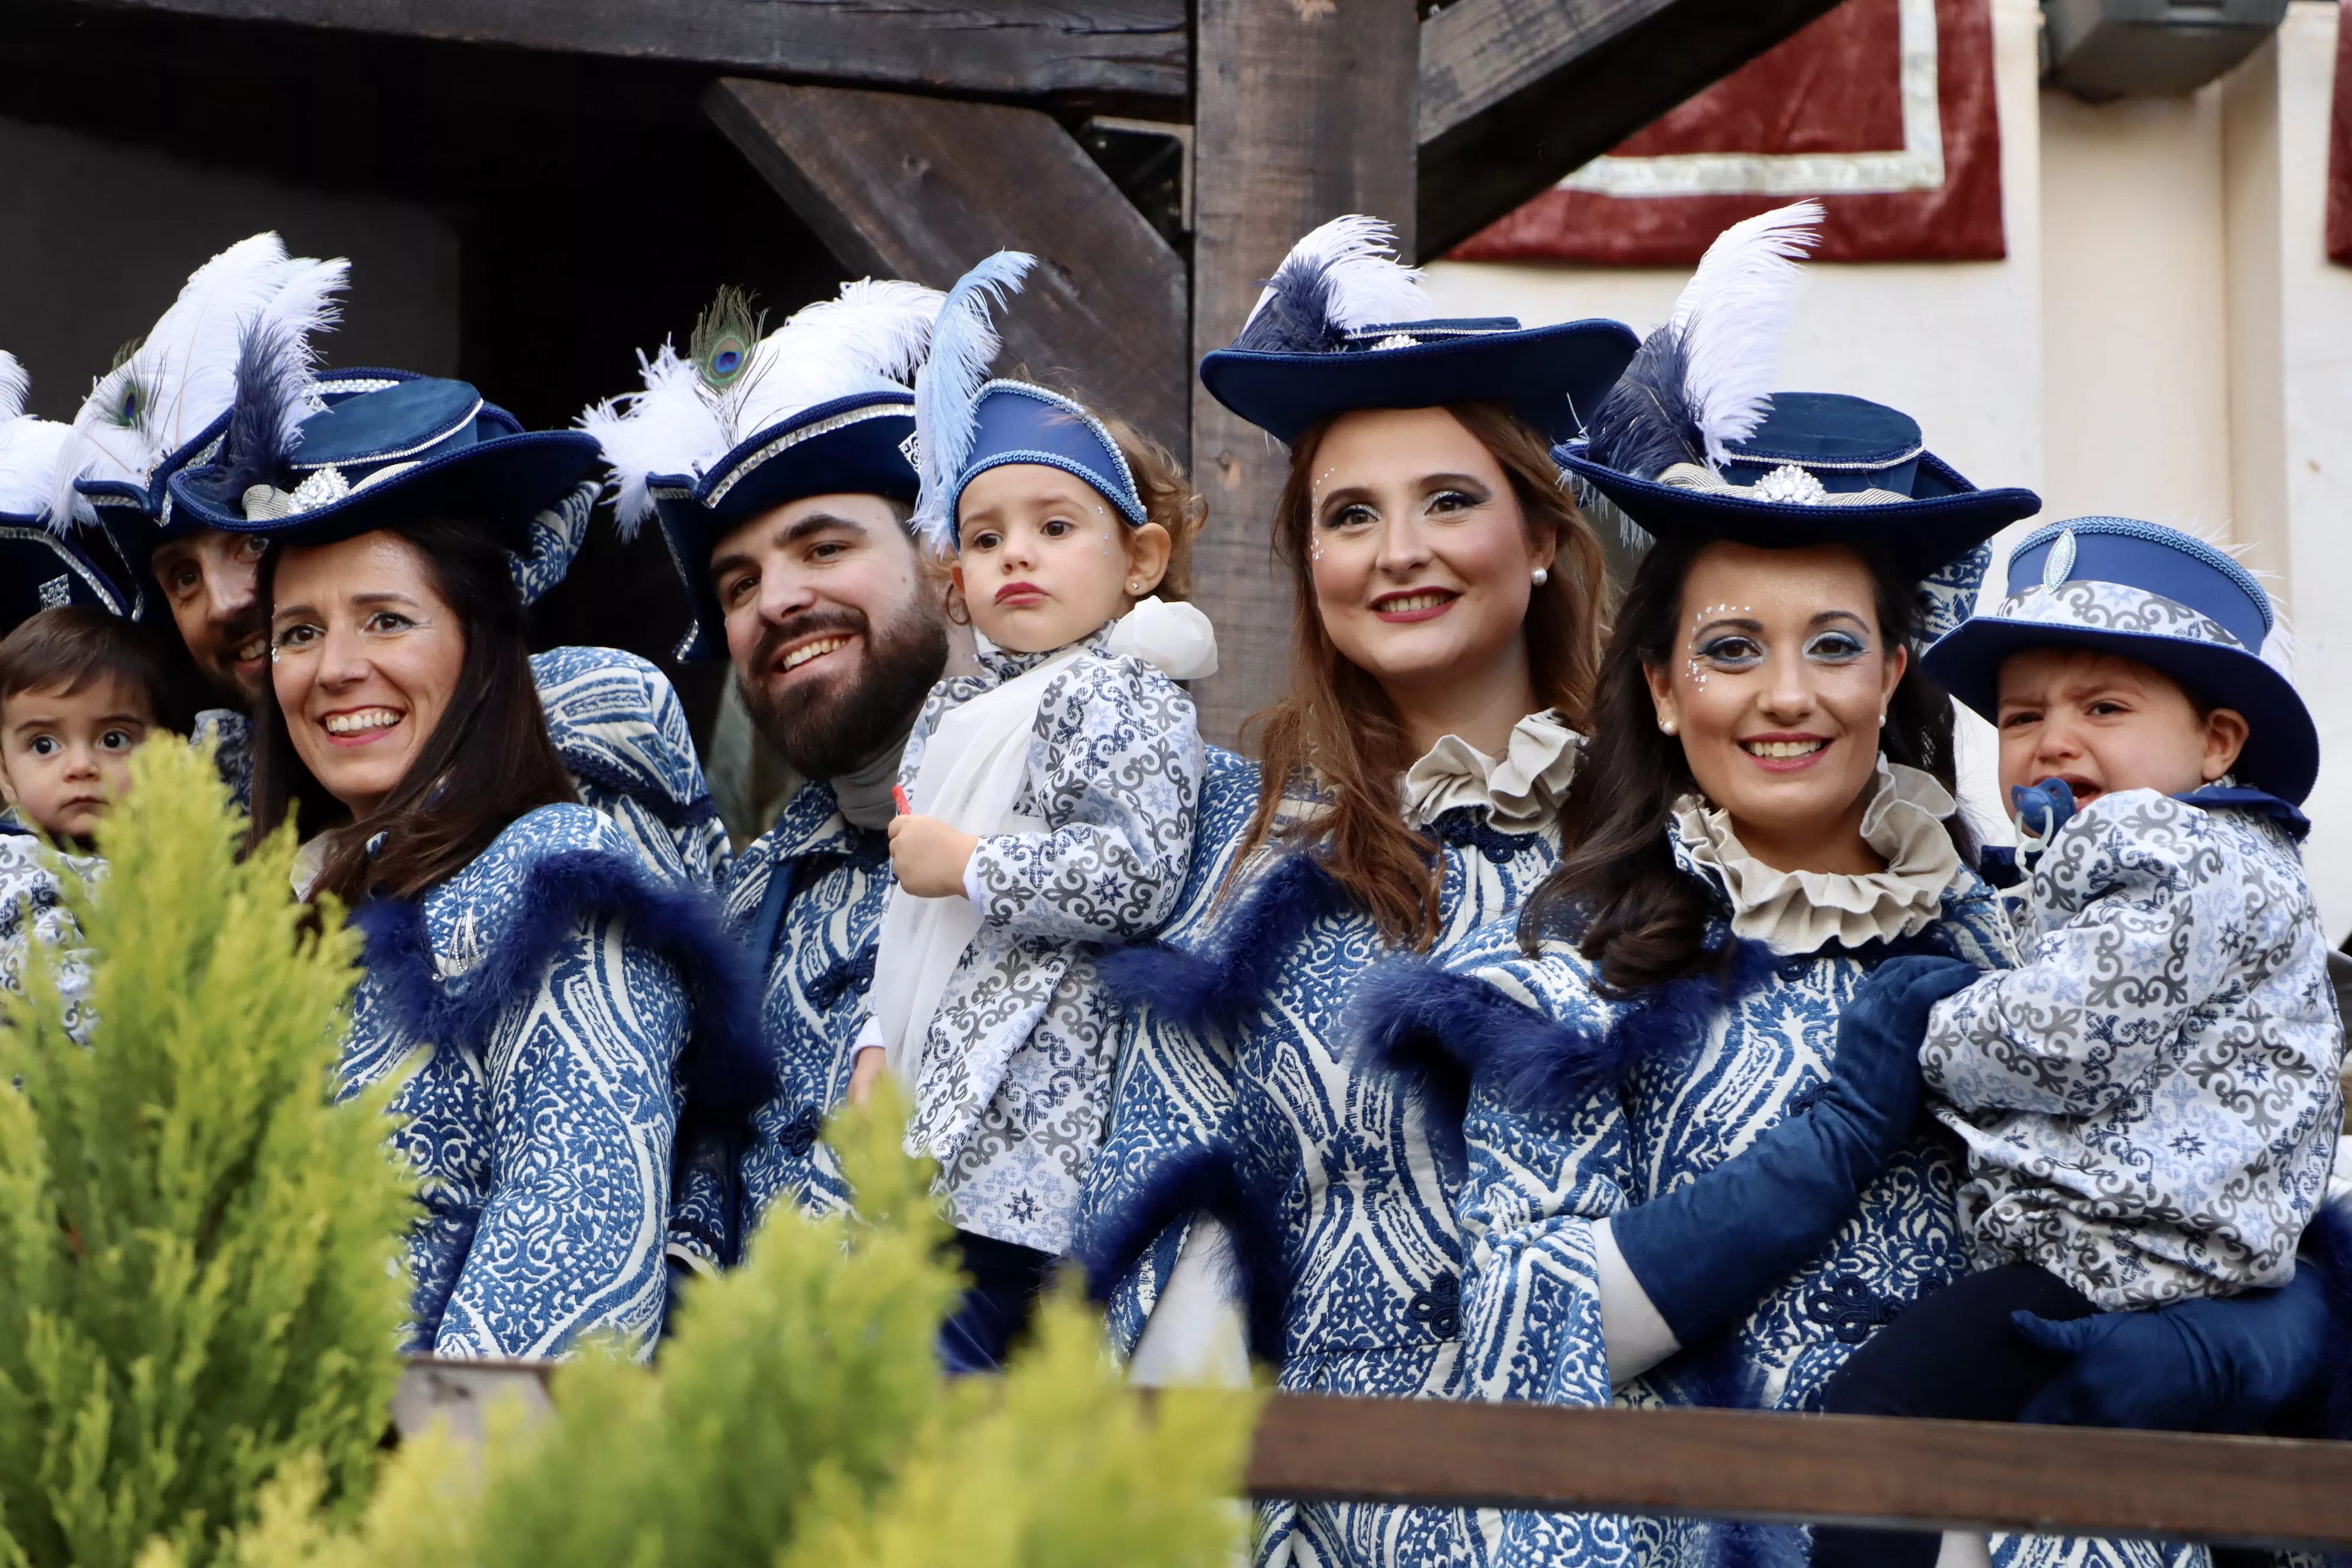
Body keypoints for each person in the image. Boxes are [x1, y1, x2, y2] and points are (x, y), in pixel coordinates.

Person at [1357, 204, 2328, 1568]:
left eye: (1830, 644)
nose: (1786, 695)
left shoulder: (2042, 945)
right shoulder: (1556, 981)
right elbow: (1518, 1336)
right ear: (1664, 684)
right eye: (1733, 648)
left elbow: (2243, 1159)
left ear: (1892, 674)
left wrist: (2274, 1328)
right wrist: (1807, 1167)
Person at [1076, 214, 1636, 1567]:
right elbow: (1157, 1214)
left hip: (1629, 1516)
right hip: (1322, 1525)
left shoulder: (1678, 840)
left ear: (1544, 537)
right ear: (1311, 568)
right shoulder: (1243, 855)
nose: (1398, 550)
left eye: (1449, 499)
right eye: (1349, 514)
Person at [166, 360, 752, 1358]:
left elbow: (574, 1265)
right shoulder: (270, 905)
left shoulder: (557, 872)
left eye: (386, 619)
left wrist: (427, 1504)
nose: (337, 667)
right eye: (299, 630)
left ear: (483, 651)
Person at [1801, 519, 2344, 1568]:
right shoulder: (2236, 864)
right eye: (2018, 715)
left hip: (2113, 1256)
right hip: (2189, 1268)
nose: (2051, 741)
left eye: (2103, 707)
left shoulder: (2160, 845)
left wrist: (1927, 1023)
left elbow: (2064, 1038)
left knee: (1878, 1411)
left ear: (2215, 743)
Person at [846, 253, 1214, 1370]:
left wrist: (973, 863)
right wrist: (872, 1039)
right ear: (957, 579)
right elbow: (908, 923)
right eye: (988, 534)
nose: (1018, 554)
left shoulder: (1124, 691)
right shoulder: (959, 711)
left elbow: (1131, 874)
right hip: (942, 1130)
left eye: (1056, 527)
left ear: (1139, 559)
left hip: (1034, 1146)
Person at [580, 276, 964, 1277]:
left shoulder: (1114, 818)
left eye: (822, 547)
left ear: (942, 561)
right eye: (738, 583)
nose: (776, 602)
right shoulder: (746, 902)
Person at [0, 350, 161, 1041]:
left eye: (115, 738)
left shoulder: (165, 852)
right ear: (1, 771)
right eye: (43, 743)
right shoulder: (16, 871)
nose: (81, 765)